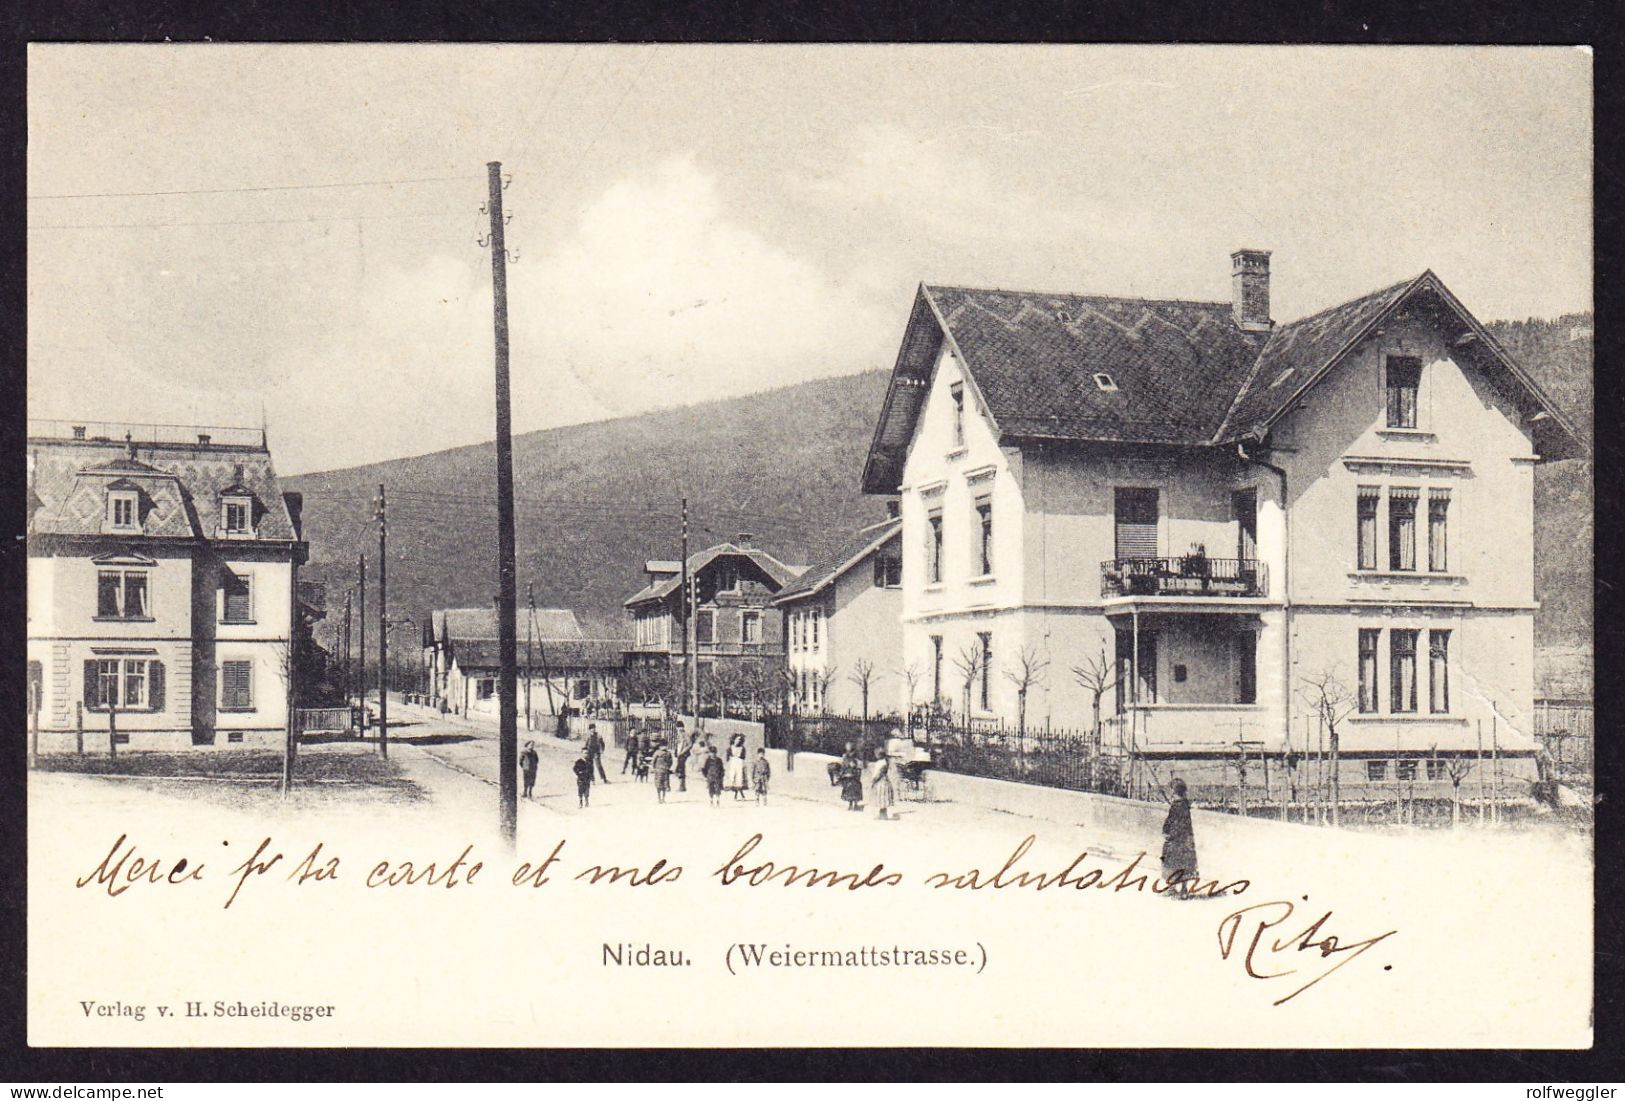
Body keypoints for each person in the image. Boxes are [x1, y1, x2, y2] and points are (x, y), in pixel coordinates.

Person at [1161, 777, 1198, 897]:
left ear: (1174, 792)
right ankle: (1184, 890)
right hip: (1186, 839)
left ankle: (1172, 887)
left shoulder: (1177, 806)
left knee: (1172, 862)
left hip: (1176, 839)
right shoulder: (1185, 805)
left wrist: (1168, 833)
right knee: (1185, 863)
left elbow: (1172, 821)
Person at [869, 746, 895, 820]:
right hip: (885, 781)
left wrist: (873, 781)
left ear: (879, 755)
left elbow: (877, 773)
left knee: (881, 797)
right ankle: (883, 814)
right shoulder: (885, 761)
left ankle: (882, 815)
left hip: (880, 781)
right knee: (883, 798)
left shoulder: (880, 763)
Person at [837, 746, 864, 811]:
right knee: (849, 792)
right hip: (848, 778)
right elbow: (843, 768)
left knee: (855, 792)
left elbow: (858, 770)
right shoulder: (846, 760)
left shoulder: (856, 761)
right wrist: (842, 775)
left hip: (854, 778)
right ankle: (850, 804)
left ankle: (855, 805)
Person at [652, 739, 675, 804]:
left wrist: (654, 768)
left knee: (658, 784)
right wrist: (668, 767)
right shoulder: (668, 753)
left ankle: (659, 798)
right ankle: (663, 798)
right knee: (665, 784)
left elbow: (653, 761)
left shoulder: (657, 752)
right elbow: (671, 762)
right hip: (665, 770)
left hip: (658, 770)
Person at [673, 724, 692, 792]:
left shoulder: (685, 734)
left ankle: (682, 787)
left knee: (681, 769)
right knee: (680, 769)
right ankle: (681, 786)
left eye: (679, 728)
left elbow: (690, 744)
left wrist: (683, 751)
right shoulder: (679, 734)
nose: (678, 730)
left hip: (683, 754)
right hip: (680, 754)